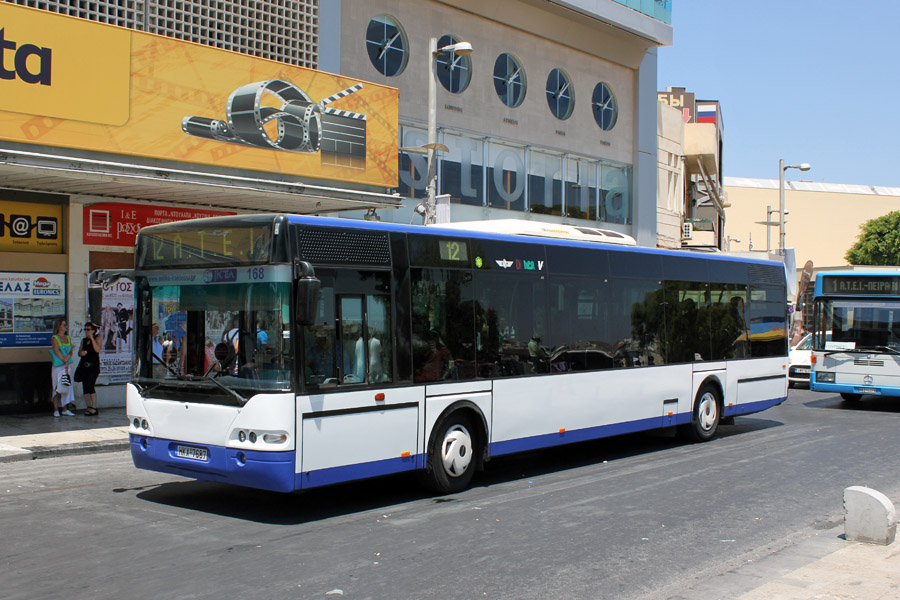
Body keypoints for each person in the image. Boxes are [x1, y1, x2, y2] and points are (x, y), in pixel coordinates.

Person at [49, 318, 76, 417]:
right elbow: (56, 350)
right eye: (64, 325)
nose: (65, 327)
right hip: (58, 366)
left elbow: (71, 350)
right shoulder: (55, 338)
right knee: (57, 386)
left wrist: (68, 357)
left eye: (66, 325)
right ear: (58, 326)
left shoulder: (68, 338)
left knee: (66, 385)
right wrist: (64, 359)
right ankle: (56, 409)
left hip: (66, 366)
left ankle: (65, 408)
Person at [78, 321, 102, 416]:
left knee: (90, 385)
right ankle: (88, 406)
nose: (86, 331)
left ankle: (94, 407)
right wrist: (81, 353)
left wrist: (92, 339)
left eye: (88, 329)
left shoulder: (97, 338)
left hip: (93, 366)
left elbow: (97, 349)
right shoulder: (84, 340)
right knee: (85, 387)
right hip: (84, 366)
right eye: (85, 329)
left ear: (93, 330)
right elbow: (79, 352)